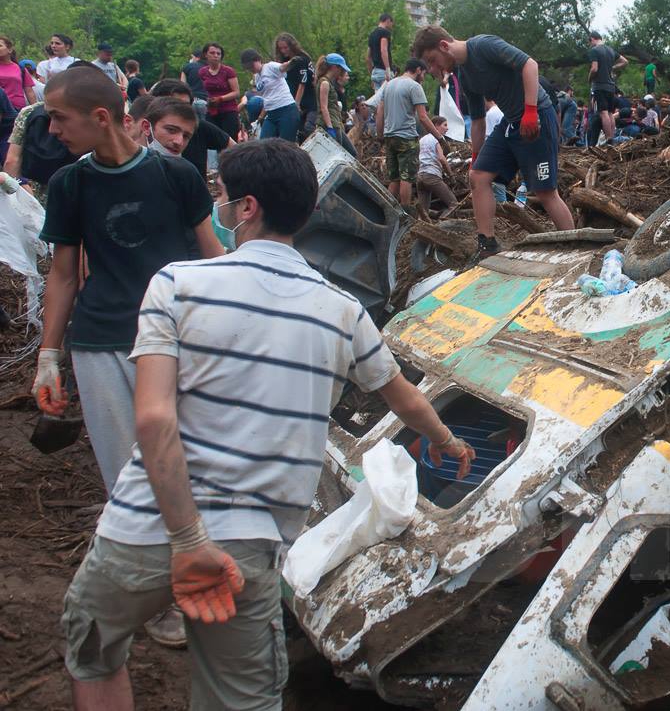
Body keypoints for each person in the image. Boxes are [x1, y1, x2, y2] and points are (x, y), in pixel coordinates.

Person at [59, 136, 474, 711]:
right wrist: (449, 442)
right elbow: (405, 400)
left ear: (246, 208)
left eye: (223, 197)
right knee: (241, 699)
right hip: (249, 543)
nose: (220, 208)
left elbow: (154, 420)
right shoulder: (342, 310)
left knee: (93, 652)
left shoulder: (177, 284)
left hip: (144, 527)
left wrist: (188, 540)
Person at [33, 65, 222, 498]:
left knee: (191, 464)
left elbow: (213, 257)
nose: (53, 129)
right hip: (101, 342)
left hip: (176, 336)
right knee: (126, 479)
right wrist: (48, 358)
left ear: (100, 117)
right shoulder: (70, 184)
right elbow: (63, 277)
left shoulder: (176, 176)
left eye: (60, 117)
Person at [412, 25, 576, 258]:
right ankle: (487, 245)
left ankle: (576, 246)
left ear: (444, 46)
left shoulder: (483, 45)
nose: (431, 69)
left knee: (545, 192)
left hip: (536, 115)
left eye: (432, 60)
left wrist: (530, 111)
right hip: (510, 122)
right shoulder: (463, 75)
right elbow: (478, 121)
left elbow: (529, 65)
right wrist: (477, 156)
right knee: (477, 177)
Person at [377, 58, 442, 206]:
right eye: (424, 73)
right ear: (418, 70)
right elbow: (423, 117)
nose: (423, 77)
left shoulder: (389, 85)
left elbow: (380, 111)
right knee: (407, 178)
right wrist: (439, 137)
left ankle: (385, 210)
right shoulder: (414, 86)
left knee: (394, 179)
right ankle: (406, 212)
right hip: (406, 138)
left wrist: (380, 136)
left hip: (389, 137)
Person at [149, 80, 235, 179]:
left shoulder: (200, 127)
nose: (179, 141)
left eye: (186, 106)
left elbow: (237, 151)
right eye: (174, 105)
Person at [240, 49, 301, 142]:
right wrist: (260, 117)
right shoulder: (257, 77)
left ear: (258, 59)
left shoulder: (270, 66)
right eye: (248, 68)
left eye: (251, 65)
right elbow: (267, 97)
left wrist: (290, 62)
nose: (251, 69)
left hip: (286, 109)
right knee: (264, 143)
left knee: (285, 145)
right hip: (271, 113)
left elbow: (282, 68)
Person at [276, 33, 316, 141]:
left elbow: (302, 83)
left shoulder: (301, 59)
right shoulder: (284, 63)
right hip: (293, 97)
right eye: (281, 48)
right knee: (299, 132)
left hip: (308, 99)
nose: (283, 51)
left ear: (291, 46)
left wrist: (296, 104)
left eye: (285, 47)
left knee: (308, 128)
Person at [587, 32, 626, 142]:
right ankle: (612, 137)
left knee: (603, 112)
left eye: (590, 42)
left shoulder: (594, 51)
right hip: (611, 86)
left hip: (600, 85)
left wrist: (589, 78)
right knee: (610, 113)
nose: (590, 45)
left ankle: (609, 139)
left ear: (592, 39)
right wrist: (613, 67)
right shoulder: (610, 50)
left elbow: (594, 68)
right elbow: (624, 61)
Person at [198, 43, 240, 141]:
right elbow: (206, 89)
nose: (216, 56)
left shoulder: (228, 71)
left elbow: (236, 92)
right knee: (212, 139)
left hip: (229, 110)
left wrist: (220, 98)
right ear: (205, 55)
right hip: (212, 110)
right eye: (212, 53)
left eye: (218, 53)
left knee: (229, 139)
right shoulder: (202, 72)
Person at [417, 115, 458, 216]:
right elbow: (441, 158)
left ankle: (421, 228)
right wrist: (451, 175)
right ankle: (441, 224)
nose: (447, 128)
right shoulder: (437, 139)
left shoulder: (421, 140)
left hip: (420, 177)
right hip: (432, 176)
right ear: (435, 126)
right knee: (454, 204)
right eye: (445, 125)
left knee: (423, 213)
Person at [316, 53, 356, 155]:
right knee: (337, 155)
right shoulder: (324, 83)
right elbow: (324, 107)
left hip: (336, 123)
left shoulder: (329, 83)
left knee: (351, 153)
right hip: (330, 124)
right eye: (341, 68)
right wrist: (330, 127)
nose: (342, 72)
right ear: (334, 67)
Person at [0, 36, 36, 109]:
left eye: (0, 46)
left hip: (17, 108)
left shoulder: (20, 68)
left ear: (10, 49)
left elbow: (29, 91)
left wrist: (35, 109)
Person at [179, 48, 210, 118]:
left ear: (196, 57)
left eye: (192, 57)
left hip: (190, 101)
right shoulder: (210, 68)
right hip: (205, 101)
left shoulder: (187, 67)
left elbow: (182, 85)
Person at [369, 13, 395, 91]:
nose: (391, 26)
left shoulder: (372, 34)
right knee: (386, 99)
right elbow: (383, 50)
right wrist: (388, 69)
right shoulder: (385, 32)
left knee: (377, 100)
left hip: (375, 71)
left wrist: (371, 72)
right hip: (383, 71)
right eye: (391, 23)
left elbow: (368, 57)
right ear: (387, 21)